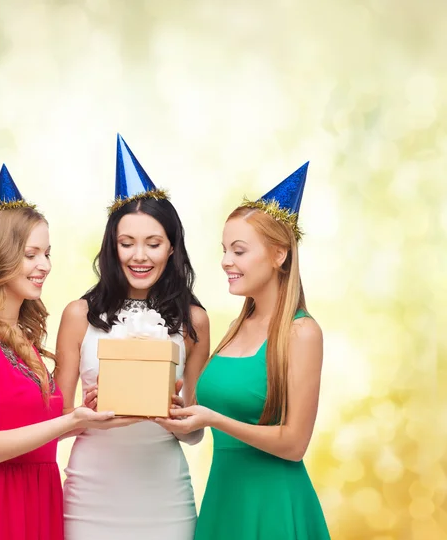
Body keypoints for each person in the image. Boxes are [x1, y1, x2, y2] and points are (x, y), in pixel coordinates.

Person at [158, 163, 331, 539]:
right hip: (225, 498)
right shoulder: (237, 327)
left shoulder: (301, 333)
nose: (225, 262)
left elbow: (294, 444)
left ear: (279, 255)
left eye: (238, 251)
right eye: (224, 250)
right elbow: (210, 407)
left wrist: (212, 419)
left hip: (273, 506)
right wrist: (173, 407)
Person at [0, 165, 113, 540]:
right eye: (31, 254)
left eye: (47, 253)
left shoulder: (24, 341)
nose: (45, 266)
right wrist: (70, 422)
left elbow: (35, 436)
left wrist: (86, 417)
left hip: (41, 500)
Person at [55, 135, 210, 540]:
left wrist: (176, 415)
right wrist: (83, 415)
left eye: (153, 244)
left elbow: (195, 432)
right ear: (112, 247)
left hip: (165, 496)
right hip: (90, 494)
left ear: (172, 249)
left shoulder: (194, 320)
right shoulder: (79, 315)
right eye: (127, 243)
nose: (139, 256)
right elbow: (54, 420)